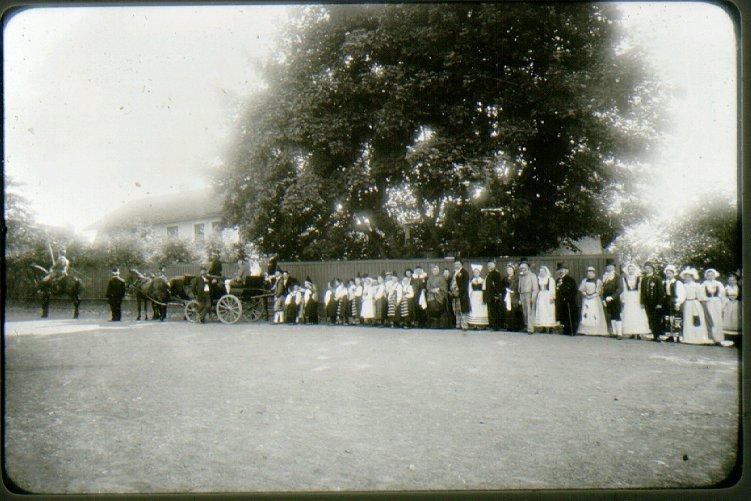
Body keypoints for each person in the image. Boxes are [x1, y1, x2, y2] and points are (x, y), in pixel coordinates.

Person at [677, 267, 712, 345]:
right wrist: (679, 303)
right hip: (687, 304)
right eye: (686, 277)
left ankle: (699, 337)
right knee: (688, 320)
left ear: (692, 277)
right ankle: (689, 337)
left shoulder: (697, 285)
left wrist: (705, 299)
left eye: (689, 277)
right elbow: (682, 296)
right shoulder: (684, 286)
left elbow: (700, 295)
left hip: (695, 303)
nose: (687, 278)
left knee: (697, 319)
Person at [620, 263, 652, 340]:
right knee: (629, 313)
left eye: (632, 269)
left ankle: (638, 332)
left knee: (638, 314)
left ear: (635, 270)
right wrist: (623, 299)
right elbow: (624, 289)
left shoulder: (639, 278)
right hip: (629, 297)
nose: (631, 271)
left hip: (637, 297)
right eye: (629, 269)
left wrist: (641, 300)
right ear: (627, 270)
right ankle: (631, 332)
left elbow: (641, 289)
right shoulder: (624, 279)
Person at [701, 268, 732, 346]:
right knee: (709, 319)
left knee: (718, 320)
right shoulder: (704, 284)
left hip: (717, 303)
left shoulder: (719, 284)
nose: (710, 276)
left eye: (712, 275)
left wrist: (723, 305)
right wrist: (706, 299)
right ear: (706, 276)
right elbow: (701, 294)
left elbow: (723, 294)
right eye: (708, 275)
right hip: (708, 303)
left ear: (715, 275)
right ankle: (709, 338)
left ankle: (718, 339)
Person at [577, 266, 609, 336]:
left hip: (594, 299)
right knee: (586, 313)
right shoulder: (584, 280)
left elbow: (599, 291)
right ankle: (585, 330)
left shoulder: (598, 281)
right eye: (588, 273)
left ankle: (597, 331)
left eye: (591, 273)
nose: (589, 274)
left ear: (594, 273)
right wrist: (585, 294)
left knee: (594, 313)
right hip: (586, 299)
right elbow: (582, 289)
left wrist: (592, 295)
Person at [640, 261, 665, 342]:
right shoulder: (644, 279)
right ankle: (654, 335)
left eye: (649, 268)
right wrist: (642, 302)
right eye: (646, 268)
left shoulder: (657, 278)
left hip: (656, 302)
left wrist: (660, 303)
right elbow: (642, 292)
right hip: (647, 302)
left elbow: (661, 292)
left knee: (656, 318)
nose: (647, 270)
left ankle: (657, 336)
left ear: (652, 269)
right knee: (650, 318)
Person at [661, 265, 685, 342]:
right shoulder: (664, 282)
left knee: (676, 319)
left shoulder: (677, 283)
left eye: (670, 273)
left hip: (674, 301)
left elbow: (681, 293)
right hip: (667, 302)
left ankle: (677, 337)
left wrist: (678, 303)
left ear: (673, 274)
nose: (668, 275)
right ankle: (670, 336)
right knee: (668, 318)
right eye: (667, 273)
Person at [601, 258, 623, 339]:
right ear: (606, 267)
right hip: (607, 297)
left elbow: (620, 289)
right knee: (611, 314)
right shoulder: (604, 276)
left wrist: (612, 297)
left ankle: (619, 333)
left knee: (617, 314)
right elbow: (603, 289)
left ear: (614, 267)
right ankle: (614, 332)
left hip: (615, 297)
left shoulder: (617, 276)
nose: (609, 267)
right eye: (608, 266)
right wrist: (603, 299)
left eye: (611, 266)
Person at [555, 262, 579, 336]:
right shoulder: (557, 280)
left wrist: (568, 297)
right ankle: (565, 330)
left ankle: (572, 330)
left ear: (566, 271)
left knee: (570, 315)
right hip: (561, 301)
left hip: (569, 301)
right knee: (563, 315)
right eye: (559, 270)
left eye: (563, 270)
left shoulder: (570, 279)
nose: (561, 271)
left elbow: (574, 290)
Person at [517, 258, 539, 334]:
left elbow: (536, 288)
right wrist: (520, 296)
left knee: (530, 312)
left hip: (529, 295)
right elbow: (519, 287)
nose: (522, 269)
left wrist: (533, 297)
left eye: (524, 267)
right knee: (524, 312)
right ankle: (526, 326)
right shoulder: (520, 276)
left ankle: (530, 329)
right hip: (522, 295)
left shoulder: (532, 275)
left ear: (528, 267)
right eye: (521, 268)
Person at [533, 265, 557, 333]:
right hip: (541, 295)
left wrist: (552, 297)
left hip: (548, 295)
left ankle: (550, 327)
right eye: (540, 271)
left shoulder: (550, 279)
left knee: (549, 311)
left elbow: (552, 289)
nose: (542, 273)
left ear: (546, 272)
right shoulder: (539, 279)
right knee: (542, 310)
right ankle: (543, 327)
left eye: (543, 271)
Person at [449, 260, 470, 331]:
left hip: (462, 294)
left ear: (461, 264)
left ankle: (464, 325)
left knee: (463, 310)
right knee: (457, 310)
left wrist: (458, 289)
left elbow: (465, 284)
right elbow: (452, 282)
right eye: (455, 264)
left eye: (458, 264)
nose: (456, 265)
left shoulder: (465, 272)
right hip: (455, 294)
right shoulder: (454, 272)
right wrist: (452, 289)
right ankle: (458, 324)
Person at [426, 264, 448, 329]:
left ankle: (441, 324)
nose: (435, 271)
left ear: (438, 271)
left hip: (440, 295)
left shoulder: (442, 278)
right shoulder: (430, 278)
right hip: (431, 295)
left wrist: (438, 289)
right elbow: (428, 287)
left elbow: (444, 286)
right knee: (432, 309)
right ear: (432, 271)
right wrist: (432, 290)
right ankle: (433, 324)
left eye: (436, 270)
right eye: (433, 270)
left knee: (440, 309)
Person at [501, 263, 522, 331]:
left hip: (514, 296)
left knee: (514, 311)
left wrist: (518, 297)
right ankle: (509, 326)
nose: (509, 271)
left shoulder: (517, 279)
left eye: (510, 269)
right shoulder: (505, 279)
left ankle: (515, 327)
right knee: (507, 311)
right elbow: (502, 288)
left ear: (513, 270)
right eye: (508, 269)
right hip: (507, 297)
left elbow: (519, 288)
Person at [468, 264, 489, 329]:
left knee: (481, 309)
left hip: (480, 295)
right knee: (474, 309)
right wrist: (469, 296)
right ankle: (474, 324)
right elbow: (470, 289)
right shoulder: (471, 281)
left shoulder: (482, 280)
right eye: (475, 272)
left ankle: (481, 325)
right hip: (473, 296)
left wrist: (484, 298)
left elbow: (484, 289)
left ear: (479, 273)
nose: (476, 273)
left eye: (477, 272)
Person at [483, 261, 503, 331]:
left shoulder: (496, 273)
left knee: (495, 311)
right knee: (491, 311)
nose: (489, 267)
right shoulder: (488, 273)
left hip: (494, 296)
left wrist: (496, 295)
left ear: (494, 266)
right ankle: (491, 325)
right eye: (488, 265)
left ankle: (495, 326)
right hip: (489, 296)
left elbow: (498, 285)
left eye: (491, 265)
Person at [722, 272, 741, 339]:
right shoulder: (726, 288)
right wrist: (727, 299)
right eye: (730, 280)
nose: (731, 282)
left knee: (736, 319)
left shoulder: (739, 288)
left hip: (737, 304)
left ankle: (737, 337)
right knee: (728, 318)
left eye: (733, 280)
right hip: (728, 304)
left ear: (736, 281)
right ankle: (728, 336)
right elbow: (723, 297)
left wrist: (737, 299)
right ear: (728, 281)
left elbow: (741, 296)